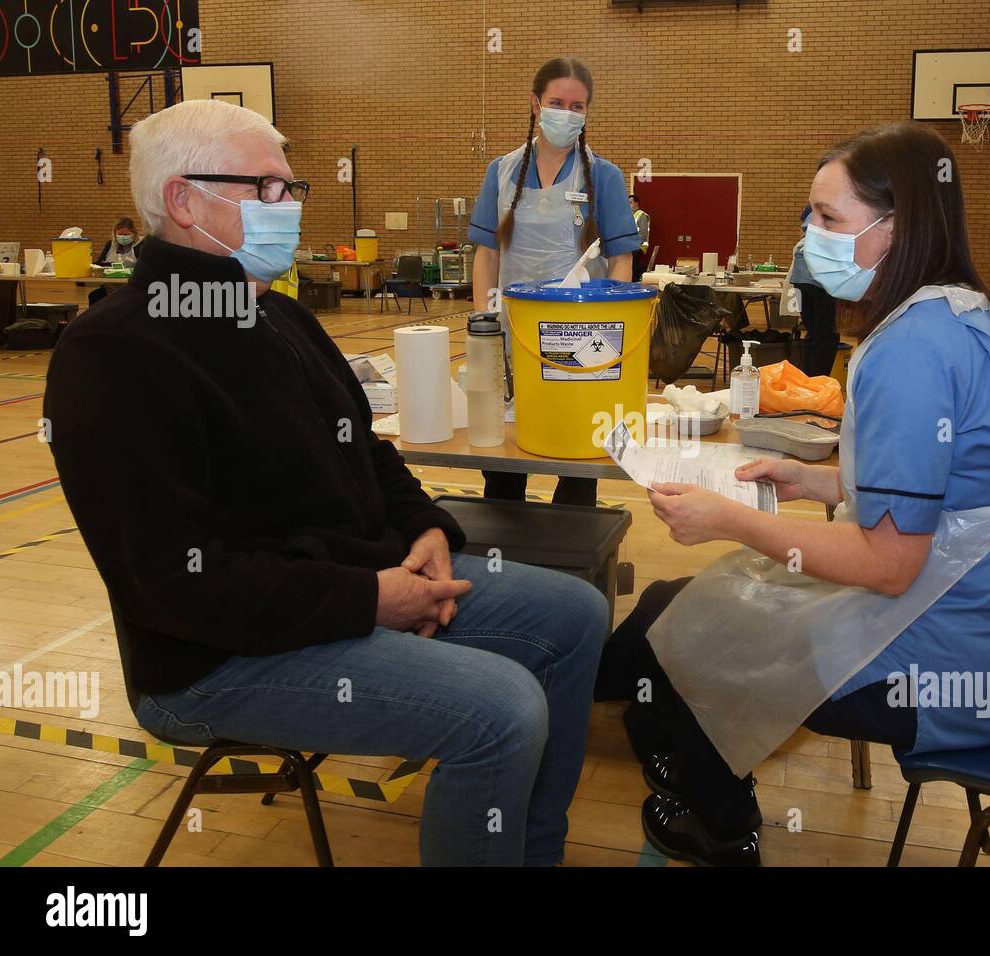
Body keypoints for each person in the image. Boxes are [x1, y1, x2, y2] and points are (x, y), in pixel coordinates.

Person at [44, 99, 608, 867]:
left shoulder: (279, 317)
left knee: (575, 613)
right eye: (266, 190)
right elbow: (173, 587)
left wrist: (428, 532)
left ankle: (531, 853)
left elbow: (368, 453)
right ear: (183, 200)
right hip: (216, 656)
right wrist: (371, 600)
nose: (290, 209)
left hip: (353, 582)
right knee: (501, 711)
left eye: (291, 188)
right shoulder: (112, 354)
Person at [604, 122, 990, 866]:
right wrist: (816, 479)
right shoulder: (985, 319)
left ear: (899, 227)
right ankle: (697, 779)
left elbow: (888, 565)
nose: (808, 235)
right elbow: (955, 494)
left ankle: (719, 830)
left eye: (828, 218)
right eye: (808, 215)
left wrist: (728, 520)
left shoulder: (911, 348)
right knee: (674, 608)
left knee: (693, 632)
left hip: (951, 666)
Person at [469, 57, 640, 507]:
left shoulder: (603, 175)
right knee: (504, 458)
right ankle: (505, 550)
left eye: (578, 106)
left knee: (578, 455)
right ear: (535, 104)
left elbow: (622, 258)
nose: (567, 113)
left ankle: (573, 556)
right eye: (557, 102)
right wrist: (483, 325)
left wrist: (610, 330)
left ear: (587, 113)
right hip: (513, 334)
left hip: (582, 339)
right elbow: (486, 255)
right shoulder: (501, 173)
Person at [787, 205, 840, 377]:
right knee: (826, 334)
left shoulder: (813, 207)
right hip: (821, 278)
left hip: (800, 278)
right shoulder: (835, 208)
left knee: (811, 331)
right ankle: (819, 381)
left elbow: (801, 230)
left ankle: (807, 378)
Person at [88, 216, 143, 305]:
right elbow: (100, 263)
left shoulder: (141, 245)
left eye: (126, 235)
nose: (122, 237)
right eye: (120, 234)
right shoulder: (110, 244)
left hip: (131, 288)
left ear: (134, 233)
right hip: (110, 287)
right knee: (94, 296)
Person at [630, 194, 651, 281]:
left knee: (634, 267)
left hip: (638, 246)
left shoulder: (642, 215)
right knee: (632, 267)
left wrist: (636, 245)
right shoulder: (631, 215)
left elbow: (643, 233)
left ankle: (635, 283)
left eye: (630, 202)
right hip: (631, 246)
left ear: (636, 203)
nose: (628, 204)